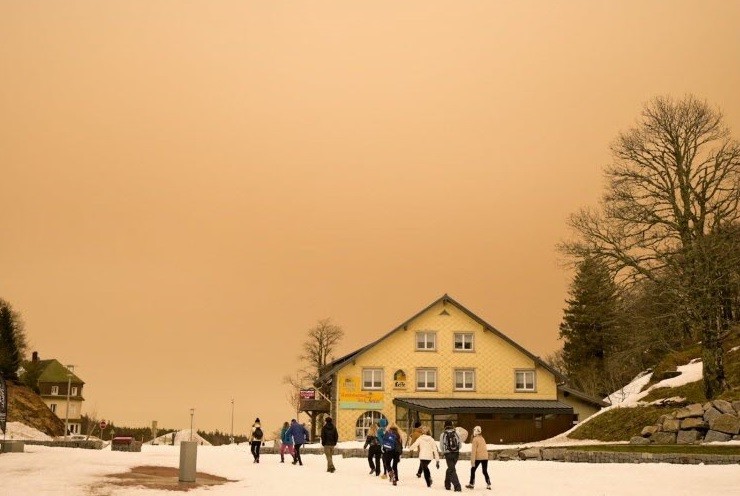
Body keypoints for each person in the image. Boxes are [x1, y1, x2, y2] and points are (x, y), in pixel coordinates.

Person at [439, 420, 462, 492]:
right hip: (456, 454)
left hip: (448, 454)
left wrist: (445, 451)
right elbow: (460, 445)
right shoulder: (456, 433)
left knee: (451, 470)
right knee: (451, 468)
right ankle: (447, 484)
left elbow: (441, 446)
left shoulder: (443, 434)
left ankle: (457, 487)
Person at [467, 425, 491, 490]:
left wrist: (472, 461)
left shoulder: (475, 439)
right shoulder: (482, 438)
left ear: (475, 431)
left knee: (473, 470)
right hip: (485, 457)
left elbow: (474, 451)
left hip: (478, 457)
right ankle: (488, 484)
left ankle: (471, 484)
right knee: (484, 471)